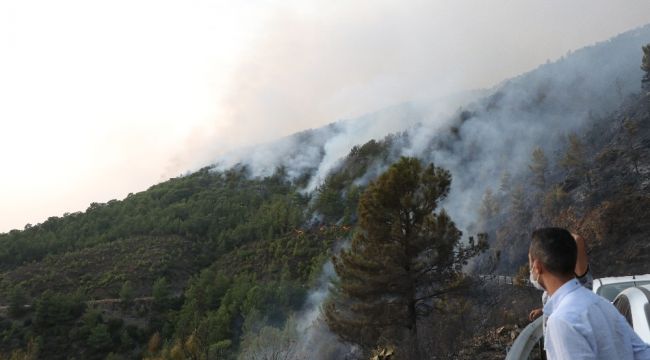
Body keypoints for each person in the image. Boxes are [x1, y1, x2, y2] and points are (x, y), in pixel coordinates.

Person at [528, 227, 650, 359]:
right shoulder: (602, 303)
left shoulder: (561, 321)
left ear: (537, 267)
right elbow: (641, 352)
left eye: (530, 262)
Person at [528, 232, 591, 321]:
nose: (532, 270)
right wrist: (543, 310)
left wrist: (558, 236)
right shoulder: (551, 290)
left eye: (533, 266)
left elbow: (578, 240)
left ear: (540, 268)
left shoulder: (579, 285)